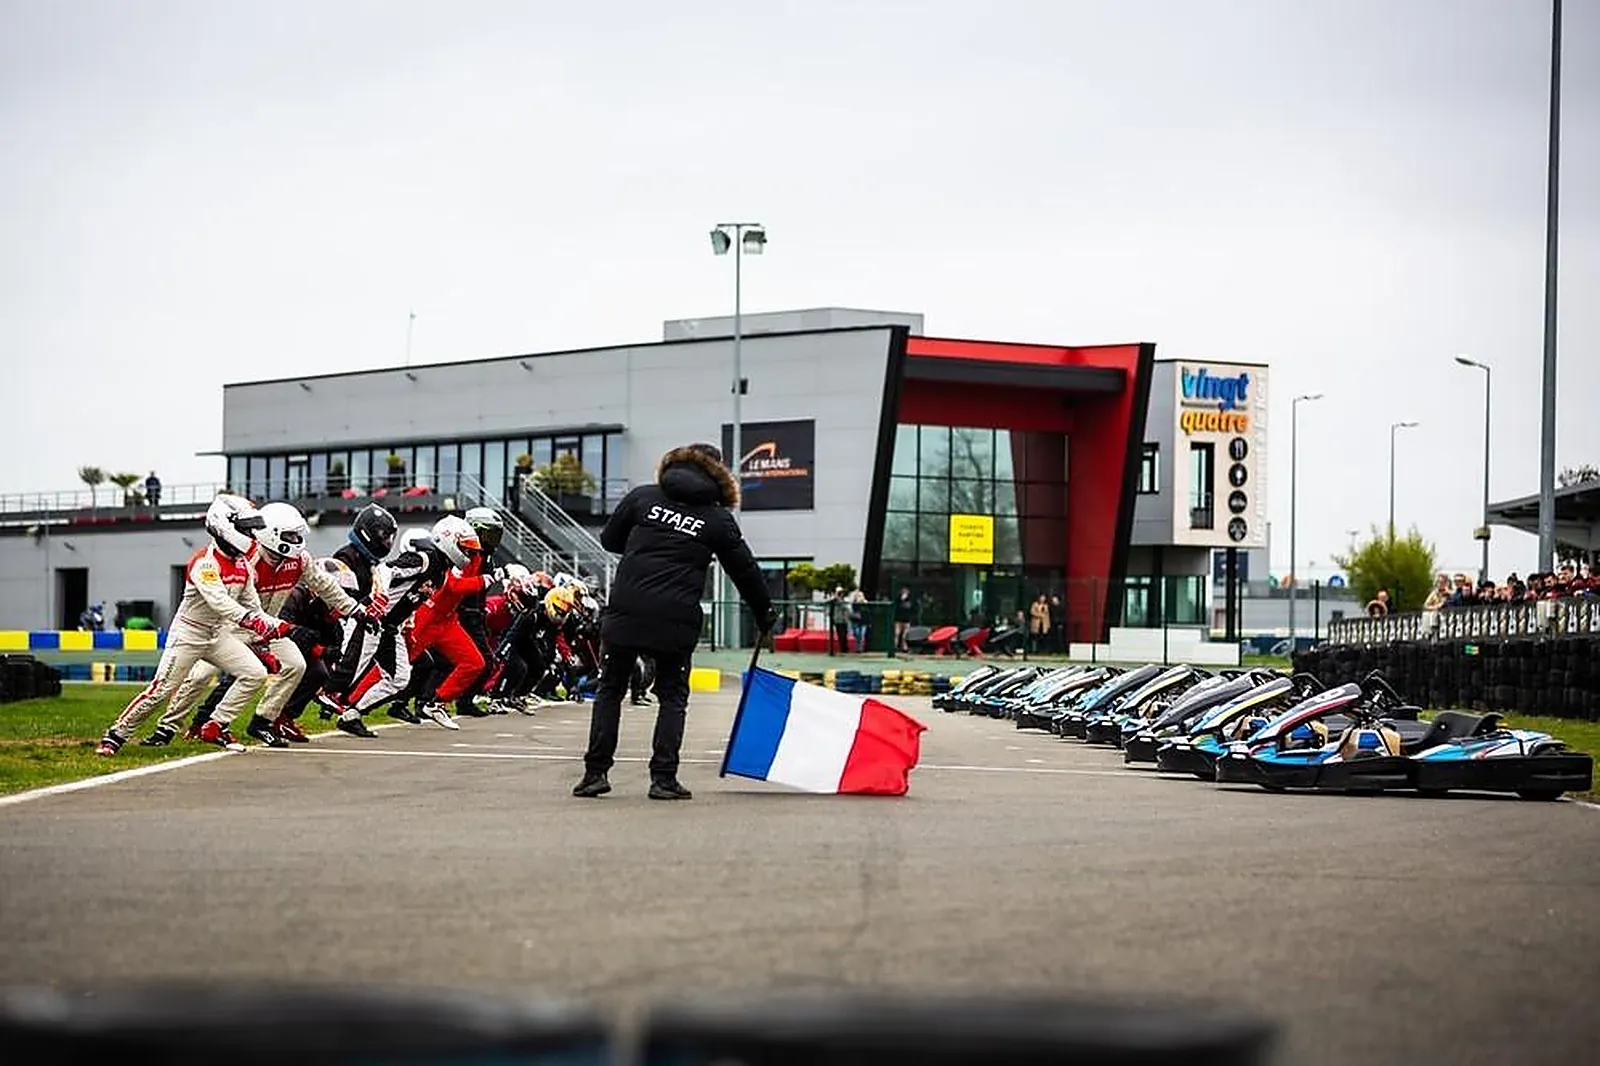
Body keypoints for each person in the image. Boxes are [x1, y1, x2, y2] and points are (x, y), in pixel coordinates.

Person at [573, 443, 773, 801]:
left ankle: (595, 774)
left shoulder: (642, 498)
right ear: (718, 474)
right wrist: (765, 614)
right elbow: (745, 571)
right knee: (672, 696)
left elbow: (609, 539)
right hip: (676, 619)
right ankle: (663, 779)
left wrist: (644, 546)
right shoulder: (717, 519)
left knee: (610, 690)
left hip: (626, 610)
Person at [155, 501, 376, 748]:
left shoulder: (299, 560)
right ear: (271, 534)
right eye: (290, 534)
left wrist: (356, 611)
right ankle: (167, 727)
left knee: (295, 664)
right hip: (232, 626)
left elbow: (325, 585)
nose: (296, 539)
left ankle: (262, 722)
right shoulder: (246, 558)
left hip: (267, 627)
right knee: (201, 675)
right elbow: (222, 599)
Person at [96, 494, 291, 756]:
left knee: (255, 673)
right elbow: (220, 602)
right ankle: (116, 735)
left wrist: (276, 625)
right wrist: (256, 622)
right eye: (246, 529)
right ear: (225, 525)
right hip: (189, 634)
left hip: (217, 634)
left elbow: (253, 606)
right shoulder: (205, 563)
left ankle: (216, 725)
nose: (252, 535)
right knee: (160, 690)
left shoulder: (243, 564)